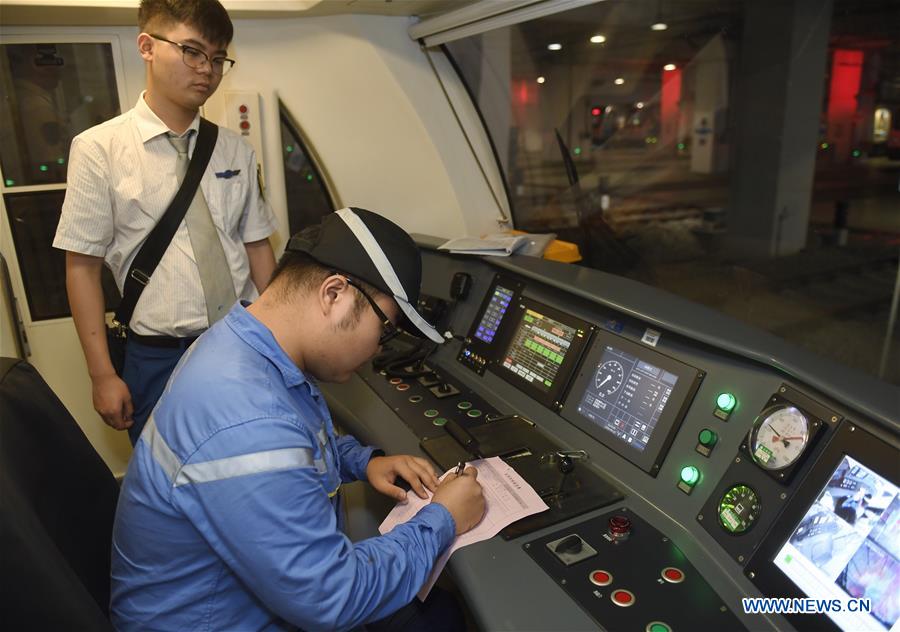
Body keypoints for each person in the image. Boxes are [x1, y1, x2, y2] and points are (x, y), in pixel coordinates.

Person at [111, 207, 487, 630]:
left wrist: (362, 461)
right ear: (334, 294)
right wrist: (444, 519)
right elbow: (333, 597)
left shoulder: (243, 347)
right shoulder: (247, 418)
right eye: (385, 328)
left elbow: (299, 440)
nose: (379, 349)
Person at [53, 0, 276, 445]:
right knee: (169, 490)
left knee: (254, 465)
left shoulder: (234, 149)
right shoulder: (99, 148)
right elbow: (82, 268)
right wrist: (102, 375)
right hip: (157, 357)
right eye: (192, 51)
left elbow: (256, 247)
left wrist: (279, 340)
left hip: (242, 341)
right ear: (147, 47)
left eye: (217, 58)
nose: (206, 70)